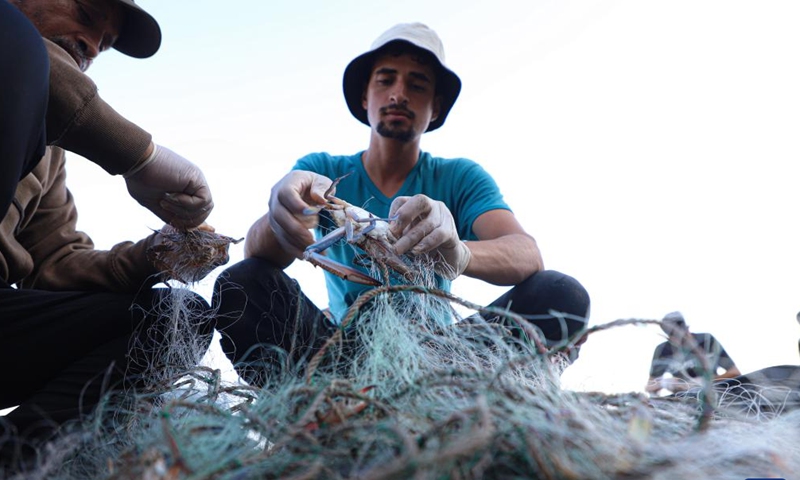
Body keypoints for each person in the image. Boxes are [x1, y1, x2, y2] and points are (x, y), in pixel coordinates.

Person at [212, 22, 591, 387]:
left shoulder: (460, 177)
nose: (399, 94)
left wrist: (460, 254)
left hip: (446, 354)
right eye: (386, 79)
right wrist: (282, 212)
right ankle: (320, 410)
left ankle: (446, 390)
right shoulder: (321, 170)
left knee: (562, 296)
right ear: (366, 96)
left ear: (436, 107)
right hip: (337, 355)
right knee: (240, 283)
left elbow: (527, 254)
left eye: (417, 83)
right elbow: (257, 254)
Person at [1, 0, 215, 469]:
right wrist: (140, 158)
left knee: (178, 318)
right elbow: (17, 49)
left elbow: (54, 259)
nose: (93, 46)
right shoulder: (12, 42)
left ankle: (16, 461)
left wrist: (151, 256)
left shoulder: (48, 149)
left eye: (107, 42)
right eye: (86, 12)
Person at [645, 311, 741, 395]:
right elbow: (649, 387)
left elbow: (734, 372)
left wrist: (706, 382)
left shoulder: (706, 340)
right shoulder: (663, 350)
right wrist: (665, 383)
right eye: (674, 336)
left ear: (687, 329)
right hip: (683, 402)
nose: (679, 341)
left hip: (714, 394)